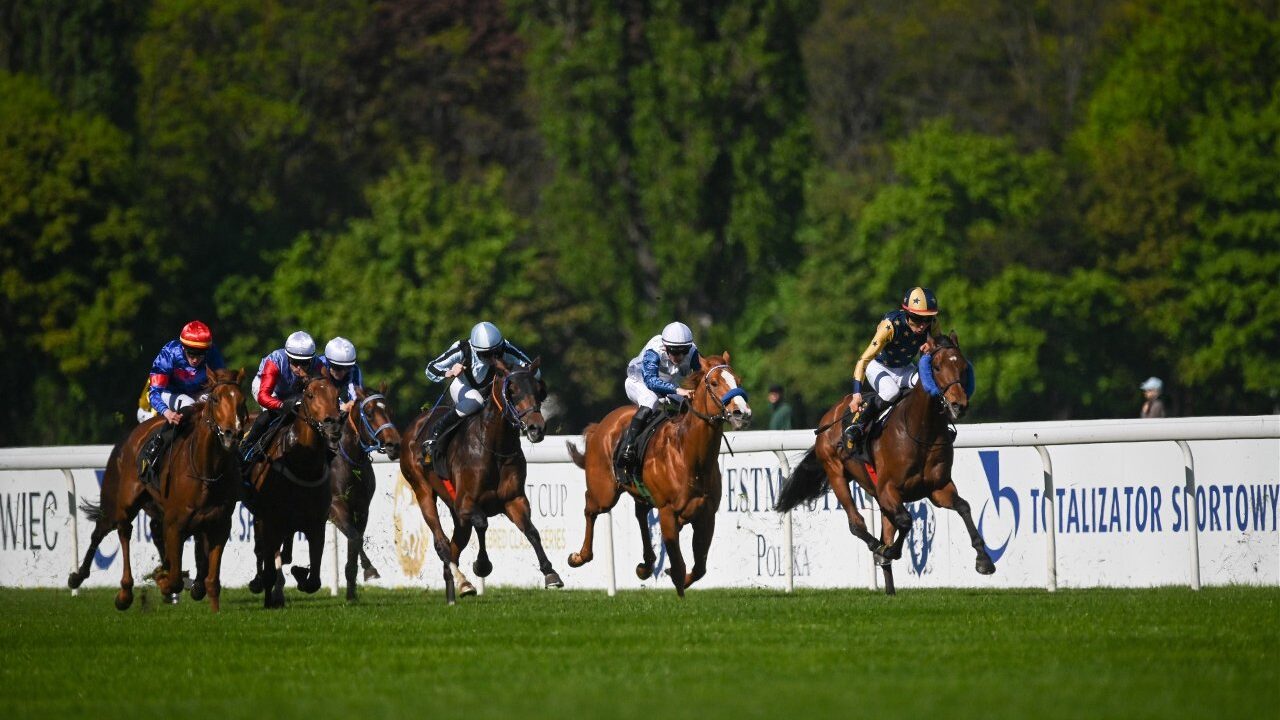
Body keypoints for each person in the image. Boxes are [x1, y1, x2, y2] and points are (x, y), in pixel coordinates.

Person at [843, 287, 940, 456]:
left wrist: (931, 348)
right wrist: (856, 393)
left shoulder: (933, 325)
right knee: (891, 392)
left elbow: (939, 349)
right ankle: (859, 423)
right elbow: (864, 359)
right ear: (907, 313)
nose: (923, 325)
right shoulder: (890, 326)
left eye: (928, 319)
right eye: (917, 319)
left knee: (928, 385)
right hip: (879, 366)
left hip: (905, 368)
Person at [421, 321, 536, 462]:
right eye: (487, 355)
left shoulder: (505, 348)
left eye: (496, 353)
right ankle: (437, 429)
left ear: (501, 346)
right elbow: (431, 368)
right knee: (476, 401)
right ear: (476, 350)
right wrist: (449, 372)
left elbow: (532, 369)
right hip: (463, 387)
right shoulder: (462, 349)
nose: (493, 358)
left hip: (489, 390)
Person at [138, 320, 227, 475]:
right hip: (169, 393)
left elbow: (222, 383)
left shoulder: (212, 353)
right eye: (191, 353)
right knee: (189, 403)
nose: (195, 359)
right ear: (182, 347)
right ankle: (153, 450)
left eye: (200, 354)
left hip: (199, 392)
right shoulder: (169, 354)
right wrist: (167, 412)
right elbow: (154, 393)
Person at [618, 321, 701, 468]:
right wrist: (678, 390)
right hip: (639, 382)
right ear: (666, 347)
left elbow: (703, 374)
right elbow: (651, 382)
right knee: (651, 400)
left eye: (684, 351)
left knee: (687, 404)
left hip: (668, 385)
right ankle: (628, 447)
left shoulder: (693, 351)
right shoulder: (654, 350)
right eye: (675, 351)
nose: (680, 356)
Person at [240, 331, 320, 463]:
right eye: (295, 362)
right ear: (288, 357)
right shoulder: (275, 361)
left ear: (311, 360)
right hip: (267, 389)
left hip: (292, 393)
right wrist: (281, 405)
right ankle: (247, 448)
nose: (299, 368)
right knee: (273, 415)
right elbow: (263, 396)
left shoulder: (317, 364)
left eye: (304, 363)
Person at [320, 336, 364, 414]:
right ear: (328, 362)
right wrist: (341, 406)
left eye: (348, 367)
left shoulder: (355, 370)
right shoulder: (319, 367)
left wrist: (353, 404)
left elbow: (356, 398)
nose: (343, 372)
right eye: (338, 367)